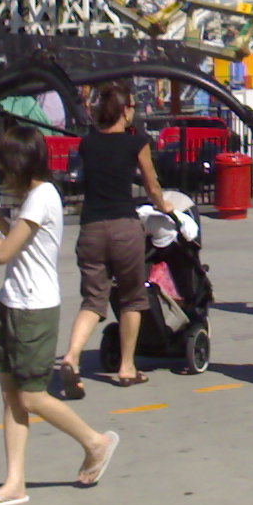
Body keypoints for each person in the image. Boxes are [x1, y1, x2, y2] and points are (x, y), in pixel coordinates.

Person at [0, 125, 119, 505]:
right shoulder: (36, 198)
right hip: (12, 302)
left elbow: (2, 253)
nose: (3, 173)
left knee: (32, 396)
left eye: (5, 165)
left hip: (34, 308)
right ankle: (14, 481)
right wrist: (2, 219)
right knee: (10, 395)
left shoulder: (41, 197)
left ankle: (94, 442)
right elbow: (22, 243)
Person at [56, 84, 170, 395]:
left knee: (93, 299)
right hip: (123, 226)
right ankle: (127, 367)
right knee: (132, 297)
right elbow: (151, 184)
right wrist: (164, 206)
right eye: (131, 106)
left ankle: (71, 356)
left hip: (91, 227)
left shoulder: (88, 144)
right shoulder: (136, 143)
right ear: (124, 110)